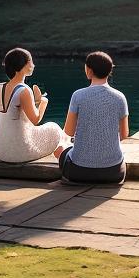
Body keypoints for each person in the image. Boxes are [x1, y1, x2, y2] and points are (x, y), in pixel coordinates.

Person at [54, 51, 129, 184]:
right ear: (109, 71)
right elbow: (124, 134)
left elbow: (68, 132)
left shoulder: (78, 95)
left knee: (60, 148)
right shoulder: (120, 97)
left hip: (78, 172)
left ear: (89, 70)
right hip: (113, 172)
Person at [0, 47, 65, 162]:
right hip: (19, 152)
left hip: (0, 150)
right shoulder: (24, 90)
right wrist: (42, 102)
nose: (33, 65)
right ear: (21, 65)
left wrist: (35, 101)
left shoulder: (0, 88)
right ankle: (64, 153)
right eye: (30, 61)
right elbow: (35, 120)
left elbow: (16, 116)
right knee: (54, 127)